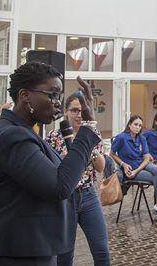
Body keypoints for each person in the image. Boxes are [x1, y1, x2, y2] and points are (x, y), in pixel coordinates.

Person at [0, 62, 101, 265]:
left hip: (26, 247)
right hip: (7, 253)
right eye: (52, 94)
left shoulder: (22, 131)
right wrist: (89, 127)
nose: (57, 102)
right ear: (25, 96)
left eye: (59, 96)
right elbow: (60, 186)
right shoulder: (12, 136)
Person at [47, 93, 109, 266]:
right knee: (65, 255)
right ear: (66, 112)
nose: (79, 115)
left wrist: (92, 152)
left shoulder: (92, 132)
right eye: (74, 110)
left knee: (102, 250)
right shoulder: (54, 136)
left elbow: (101, 167)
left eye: (82, 111)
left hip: (88, 195)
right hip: (66, 199)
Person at [110, 115, 157, 216]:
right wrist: (123, 164)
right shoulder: (121, 137)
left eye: (140, 125)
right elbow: (112, 154)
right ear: (129, 125)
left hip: (140, 165)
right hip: (129, 169)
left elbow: (146, 158)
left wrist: (136, 171)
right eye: (135, 124)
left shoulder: (141, 138)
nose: (138, 127)